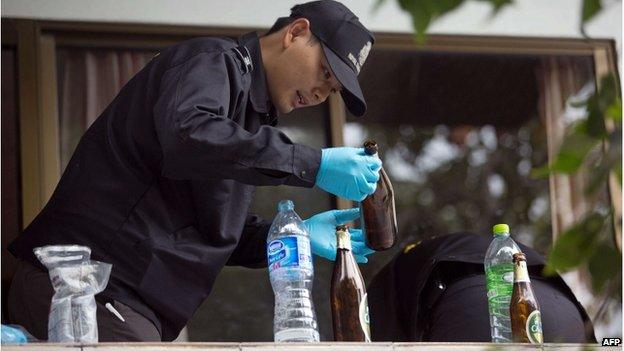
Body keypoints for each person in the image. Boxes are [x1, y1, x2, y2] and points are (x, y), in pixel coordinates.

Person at [8, 0, 379, 342]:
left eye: (330, 90)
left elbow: (210, 228)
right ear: (296, 32)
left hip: (127, 304)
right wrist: (312, 164)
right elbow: (189, 133)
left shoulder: (248, 119)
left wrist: (291, 236)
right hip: (88, 284)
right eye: (325, 71)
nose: (319, 93)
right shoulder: (213, 59)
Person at [368, 232, 597, 343]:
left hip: (479, 312)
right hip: (566, 314)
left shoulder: (392, 278)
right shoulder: (493, 245)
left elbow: (375, 342)